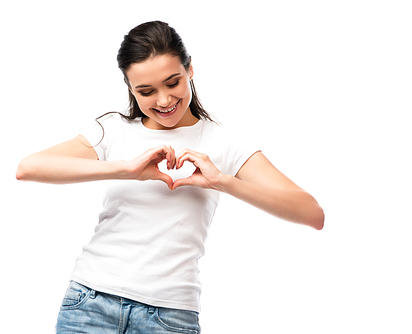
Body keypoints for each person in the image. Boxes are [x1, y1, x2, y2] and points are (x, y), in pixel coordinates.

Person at [16, 21, 324, 334]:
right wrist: (126, 169)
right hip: (90, 303)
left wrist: (222, 181)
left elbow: (312, 213)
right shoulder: (114, 130)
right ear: (130, 88)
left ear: (190, 69)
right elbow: (29, 167)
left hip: (170, 317)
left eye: (172, 83)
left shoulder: (222, 142)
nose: (163, 101)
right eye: (146, 91)